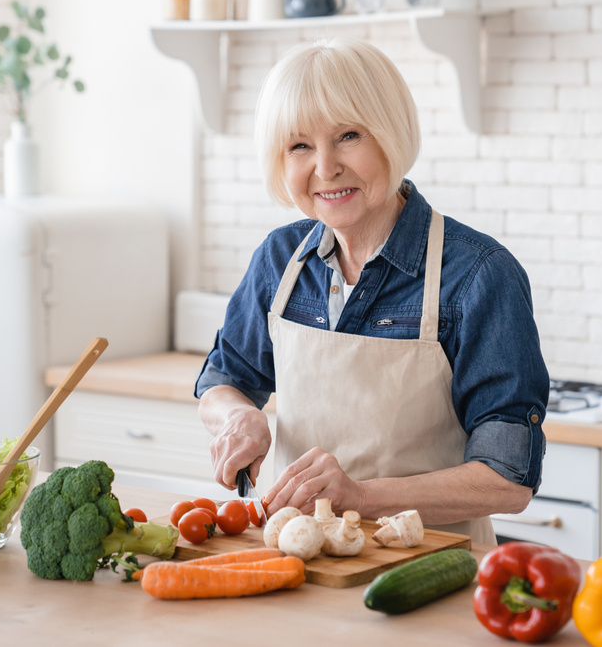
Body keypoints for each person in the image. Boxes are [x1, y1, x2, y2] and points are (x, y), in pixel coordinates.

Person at [194, 38, 548, 544]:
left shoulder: (477, 276)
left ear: (390, 134)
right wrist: (239, 416)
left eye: (348, 136)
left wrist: (360, 497)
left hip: (430, 580)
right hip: (302, 567)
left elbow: (508, 479)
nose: (325, 167)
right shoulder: (280, 261)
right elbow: (223, 379)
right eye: (299, 146)